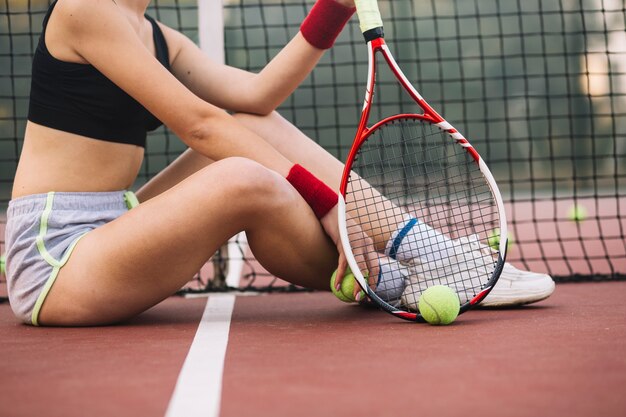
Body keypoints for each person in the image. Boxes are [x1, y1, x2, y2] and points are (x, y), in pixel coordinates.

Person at [4, 0, 554, 327]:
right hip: (56, 258)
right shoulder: (85, 9)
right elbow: (200, 125)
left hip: (115, 223)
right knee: (243, 175)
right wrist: (327, 204)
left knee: (254, 127)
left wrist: (332, 9)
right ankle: (389, 279)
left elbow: (257, 95)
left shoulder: (151, 33)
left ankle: (432, 254)